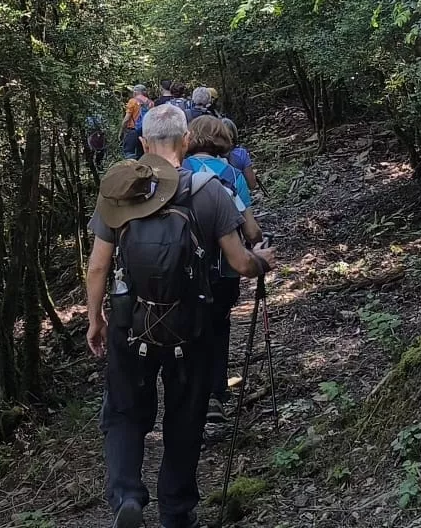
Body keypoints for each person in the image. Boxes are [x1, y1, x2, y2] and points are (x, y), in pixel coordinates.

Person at [87, 105, 276, 528]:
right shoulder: (207, 190)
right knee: (185, 416)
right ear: (186, 141)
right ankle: (176, 511)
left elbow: (98, 265)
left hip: (129, 323)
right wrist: (262, 261)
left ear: (142, 142)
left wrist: (95, 318)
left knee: (122, 412)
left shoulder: (118, 189)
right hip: (190, 325)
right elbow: (240, 263)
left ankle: (126, 498)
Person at [184, 115, 259, 422]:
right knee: (219, 325)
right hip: (224, 269)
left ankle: (189, 395)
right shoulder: (232, 174)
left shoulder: (179, 171)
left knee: (189, 328)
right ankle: (215, 393)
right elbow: (252, 231)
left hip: (185, 268)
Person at [120, 84, 152, 159]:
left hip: (133, 131)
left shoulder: (132, 101)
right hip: (145, 132)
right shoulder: (150, 103)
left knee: (129, 153)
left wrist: (121, 130)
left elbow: (127, 118)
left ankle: (131, 169)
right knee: (142, 154)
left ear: (135, 92)